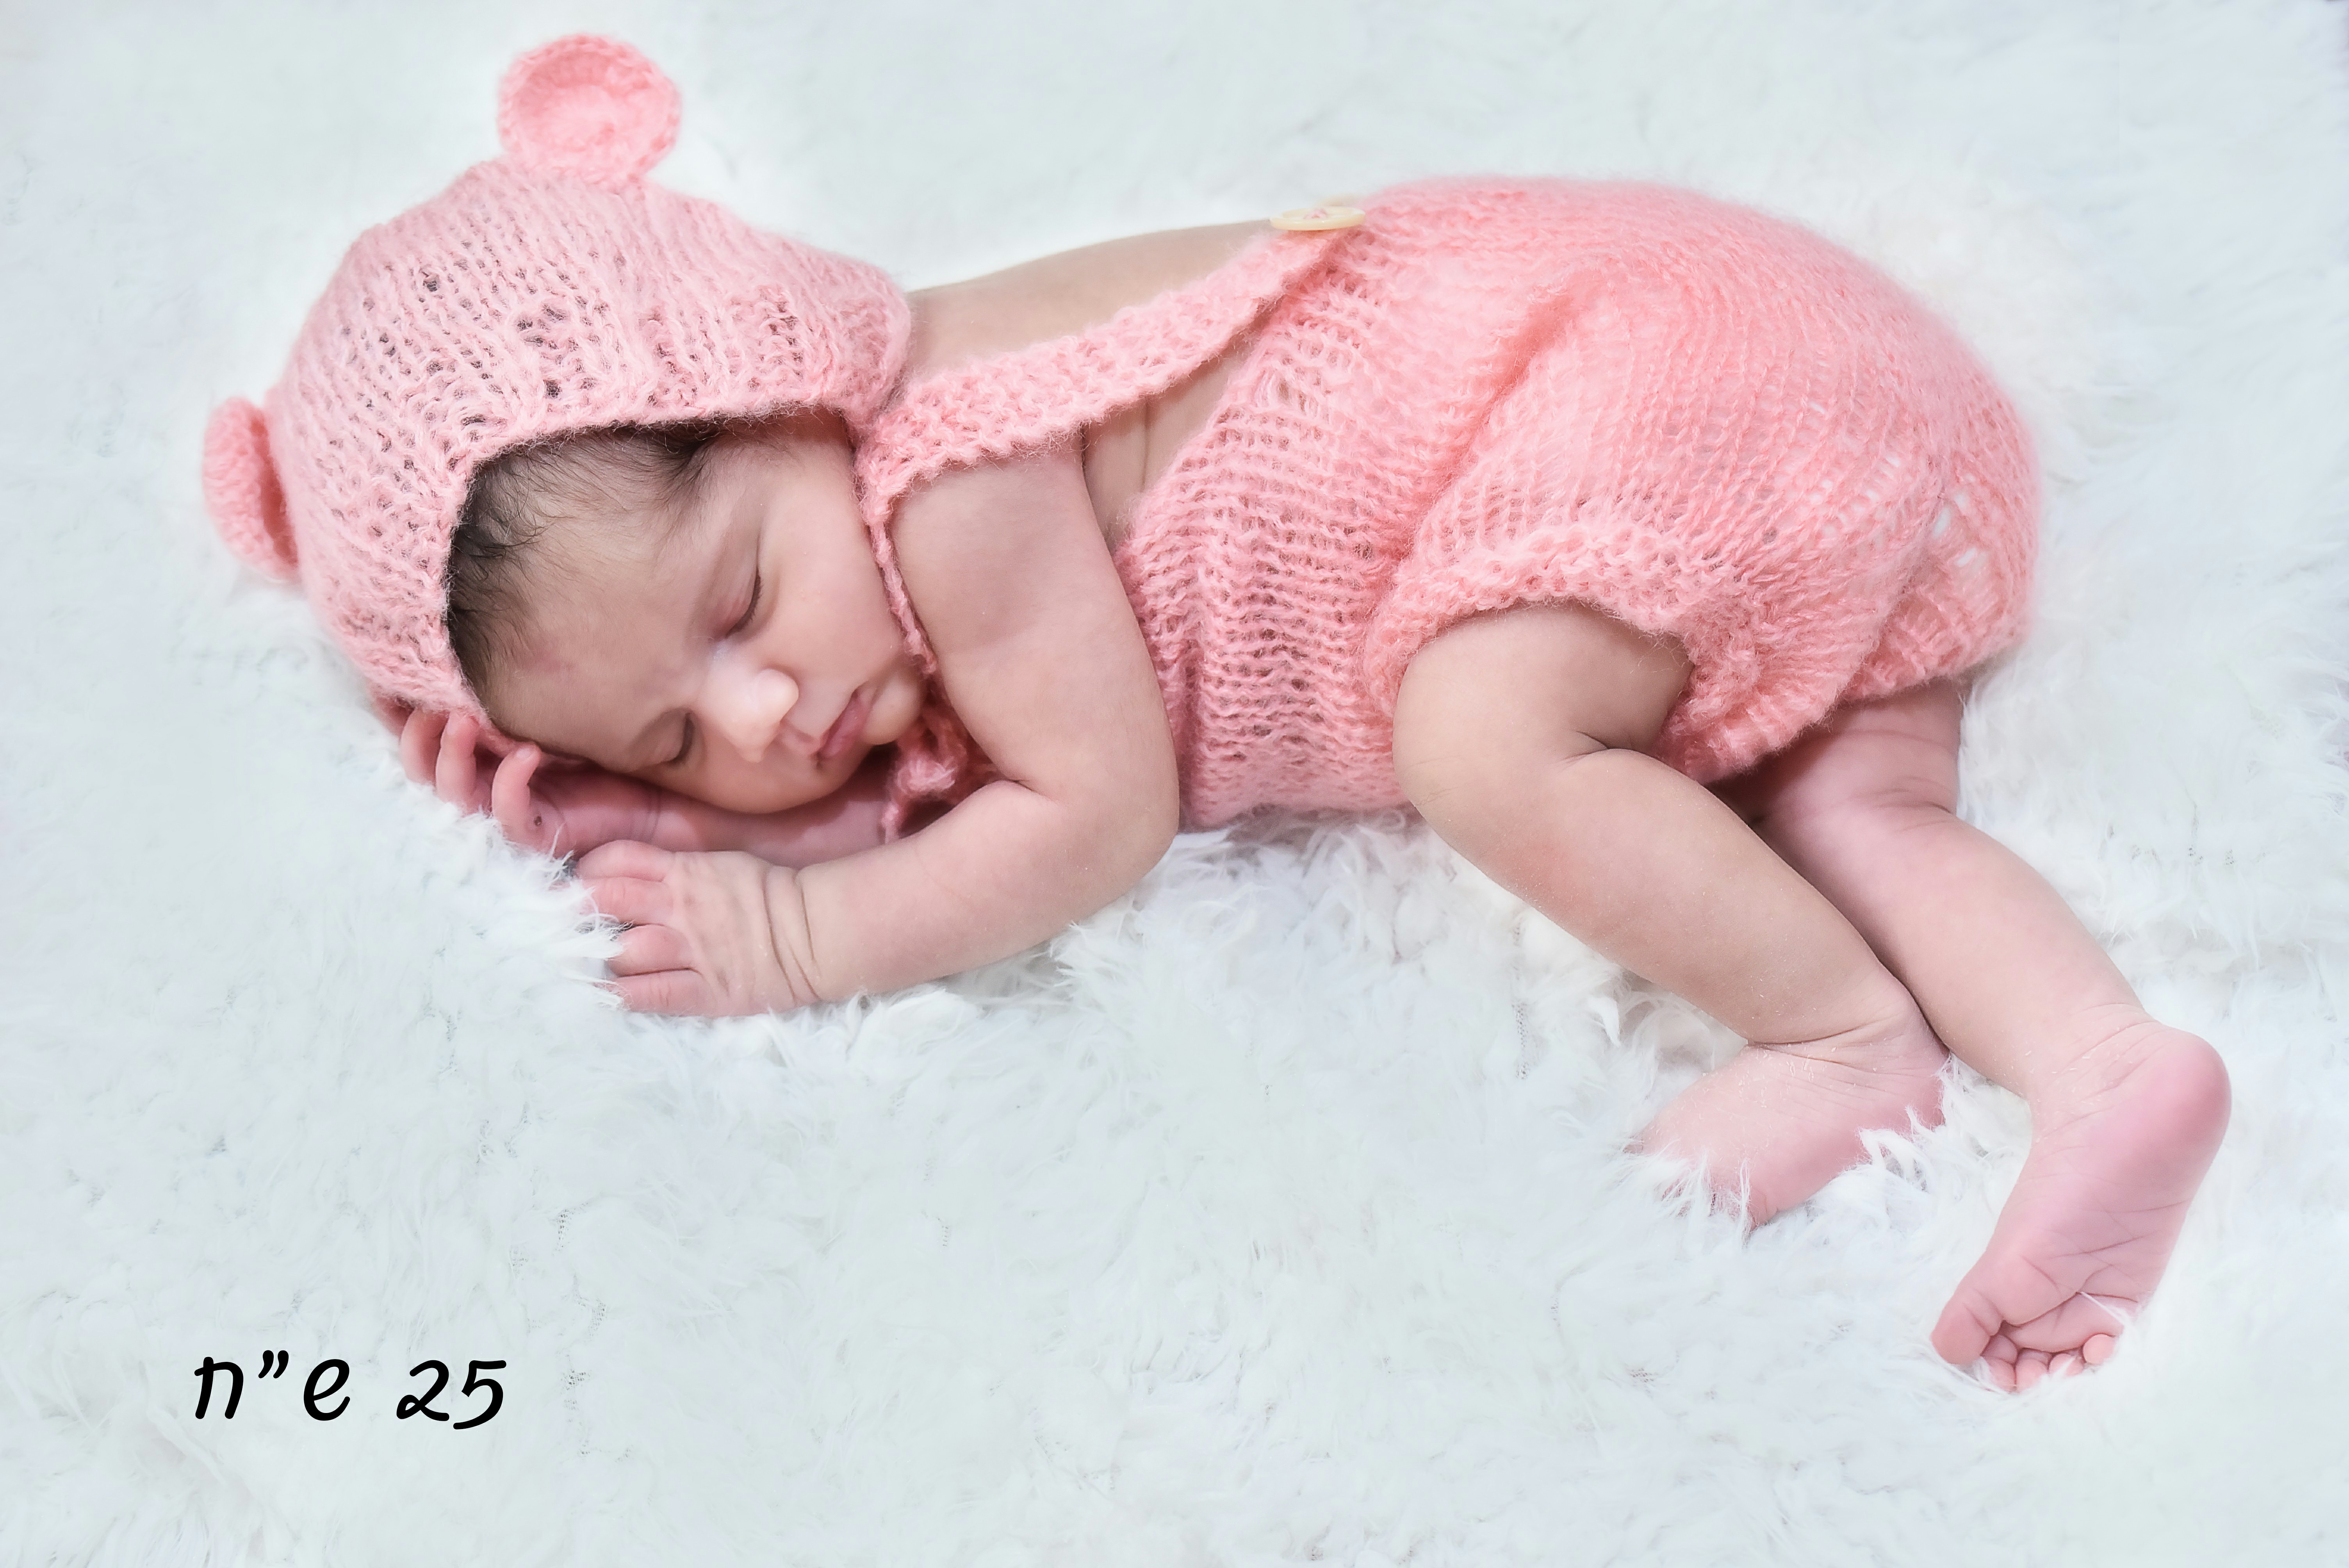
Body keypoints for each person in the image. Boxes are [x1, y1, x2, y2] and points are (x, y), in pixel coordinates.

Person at [202, 36, 2228, 1393]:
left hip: (1664, 380)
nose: (773, 714)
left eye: (739, 605)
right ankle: (2108, 1067)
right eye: (672, 737)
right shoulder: (837, 546)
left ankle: (1843, 1037)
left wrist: (798, 928)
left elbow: (1086, 812)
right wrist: (693, 808)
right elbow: (941, 743)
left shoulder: (948, 474)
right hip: (1855, 438)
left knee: (1483, 732)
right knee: (1861, 819)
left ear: (778, 383)